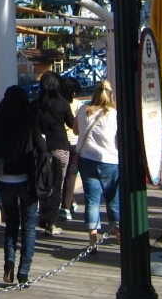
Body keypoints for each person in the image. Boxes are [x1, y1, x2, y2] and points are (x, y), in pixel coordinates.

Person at [0, 86, 47, 284]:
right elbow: (42, 147)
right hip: (27, 179)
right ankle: (24, 271)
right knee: (29, 226)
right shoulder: (30, 121)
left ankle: (9, 262)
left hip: (5, 179)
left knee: (11, 222)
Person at [77, 80, 120, 245]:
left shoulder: (83, 110)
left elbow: (75, 130)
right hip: (110, 161)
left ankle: (92, 240)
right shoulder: (114, 114)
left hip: (87, 160)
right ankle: (119, 234)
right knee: (113, 200)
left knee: (91, 201)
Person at [35, 71, 77, 235]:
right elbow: (71, 123)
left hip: (42, 149)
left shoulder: (36, 104)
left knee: (43, 183)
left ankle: (42, 216)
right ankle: (51, 224)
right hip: (60, 146)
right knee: (57, 186)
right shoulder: (62, 103)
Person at [59, 76, 83, 221]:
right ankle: (66, 207)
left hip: (61, 142)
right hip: (75, 143)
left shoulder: (57, 104)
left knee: (62, 176)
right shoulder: (79, 105)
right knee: (71, 175)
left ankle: (71, 201)